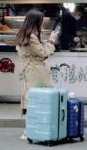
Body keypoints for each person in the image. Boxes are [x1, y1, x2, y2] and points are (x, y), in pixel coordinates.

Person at [15, 9, 58, 139]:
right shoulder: (32, 37)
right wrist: (51, 41)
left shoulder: (23, 34)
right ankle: (29, 130)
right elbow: (44, 52)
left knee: (32, 99)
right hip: (36, 71)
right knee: (36, 100)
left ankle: (33, 128)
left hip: (30, 70)